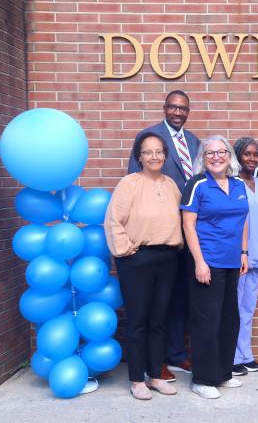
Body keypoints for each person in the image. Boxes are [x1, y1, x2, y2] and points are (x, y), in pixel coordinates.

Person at [128, 90, 200, 381]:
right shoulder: (149, 138)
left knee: (181, 296)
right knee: (157, 303)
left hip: (185, 231)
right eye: (173, 107)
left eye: (183, 108)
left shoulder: (194, 141)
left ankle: (176, 354)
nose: (178, 112)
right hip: (157, 231)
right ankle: (154, 362)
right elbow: (134, 182)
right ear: (164, 108)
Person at [105, 133, 181, 400]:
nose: (154, 156)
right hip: (137, 259)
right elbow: (114, 221)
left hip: (168, 258)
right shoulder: (129, 183)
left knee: (159, 320)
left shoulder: (171, 184)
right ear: (139, 156)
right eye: (148, 152)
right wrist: (127, 251)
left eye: (159, 151)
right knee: (138, 320)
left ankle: (155, 375)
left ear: (165, 155)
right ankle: (137, 379)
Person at [181, 135, 249, 399]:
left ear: (229, 156)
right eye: (210, 153)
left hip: (233, 262)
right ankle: (202, 378)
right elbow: (188, 225)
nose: (216, 157)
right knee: (206, 321)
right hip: (207, 262)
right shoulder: (197, 184)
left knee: (229, 319)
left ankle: (222, 373)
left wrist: (243, 252)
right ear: (203, 158)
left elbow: (243, 220)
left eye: (221, 152)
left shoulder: (239, 184)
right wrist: (199, 261)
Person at [231, 137, 258, 377]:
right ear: (238, 156)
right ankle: (231, 357)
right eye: (247, 154)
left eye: (255, 154)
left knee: (248, 309)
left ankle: (245, 355)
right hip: (238, 257)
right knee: (233, 308)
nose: (252, 159)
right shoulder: (231, 184)